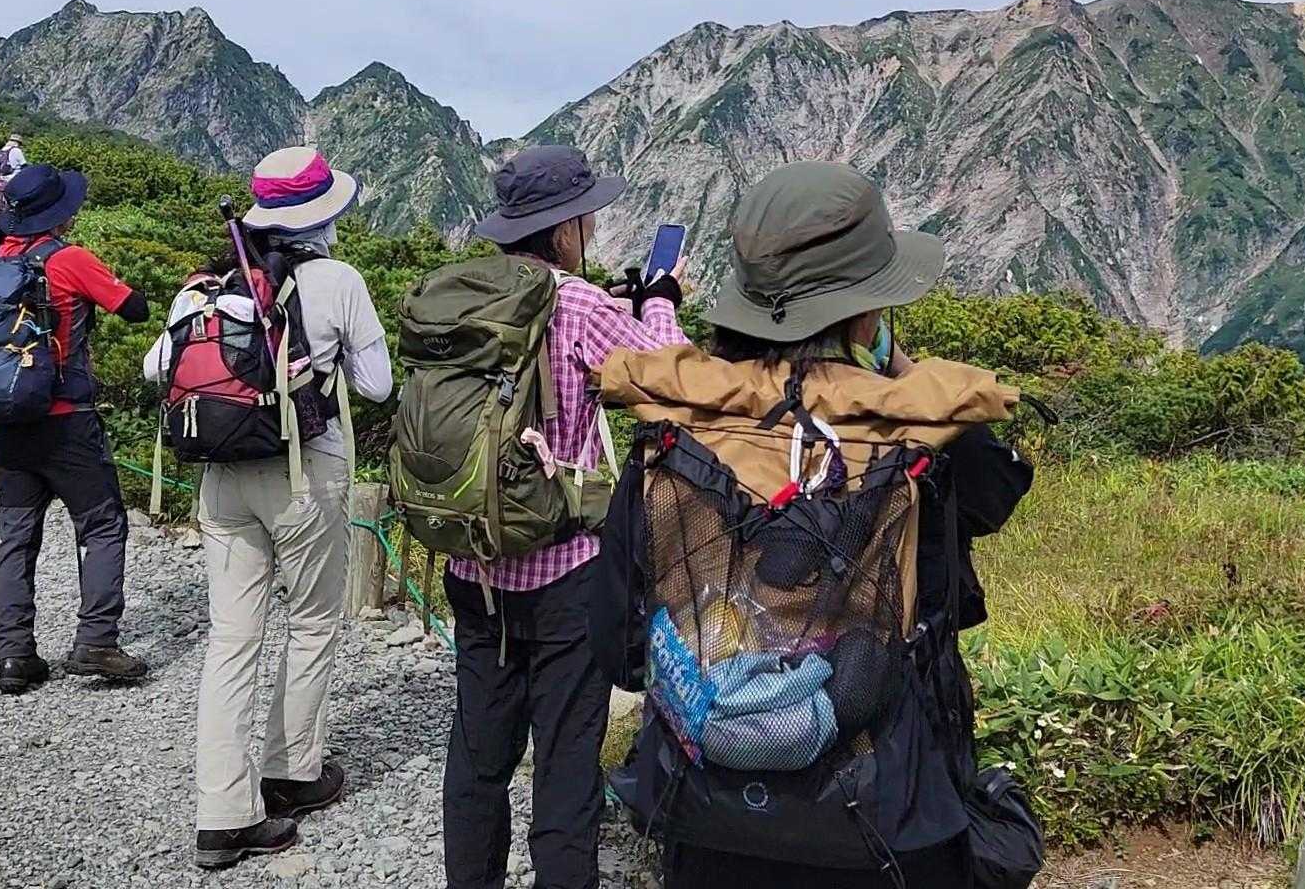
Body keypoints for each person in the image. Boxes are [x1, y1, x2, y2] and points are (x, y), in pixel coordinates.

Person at [590, 161, 1036, 888]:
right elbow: (998, 496)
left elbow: (619, 650)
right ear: (866, 315)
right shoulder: (924, 430)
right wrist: (900, 374)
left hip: (711, 818)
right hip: (889, 816)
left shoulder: (674, 430)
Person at [442, 145, 691, 889]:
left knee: (478, 757)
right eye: (585, 219)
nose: (591, 229)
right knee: (566, 758)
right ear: (562, 231)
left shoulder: (461, 292)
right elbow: (671, 377)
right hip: (561, 573)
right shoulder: (577, 304)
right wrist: (660, 299)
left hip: (473, 560)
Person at [143, 147, 393, 869]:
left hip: (222, 477)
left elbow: (157, 367)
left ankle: (223, 816)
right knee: (311, 621)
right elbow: (376, 385)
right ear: (322, 217)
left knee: (232, 640)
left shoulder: (209, 283)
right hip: (303, 473)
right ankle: (291, 773)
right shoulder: (337, 280)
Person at [0, 163, 154, 695]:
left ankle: (15, 655)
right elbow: (135, 308)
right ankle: (96, 642)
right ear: (60, 214)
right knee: (102, 525)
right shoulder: (70, 259)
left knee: (17, 536)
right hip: (67, 419)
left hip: (9, 421)